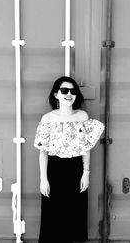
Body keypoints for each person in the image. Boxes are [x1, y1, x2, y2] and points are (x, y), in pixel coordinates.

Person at [34, 76, 104, 243]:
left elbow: (86, 147)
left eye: (72, 91)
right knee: (53, 216)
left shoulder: (82, 116)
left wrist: (86, 173)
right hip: (54, 169)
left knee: (75, 215)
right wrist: (43, 179)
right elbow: (42, 151)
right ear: (56, 94)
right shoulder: (48, 119)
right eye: (64, 91)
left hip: (75, 169)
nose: (68, 94)